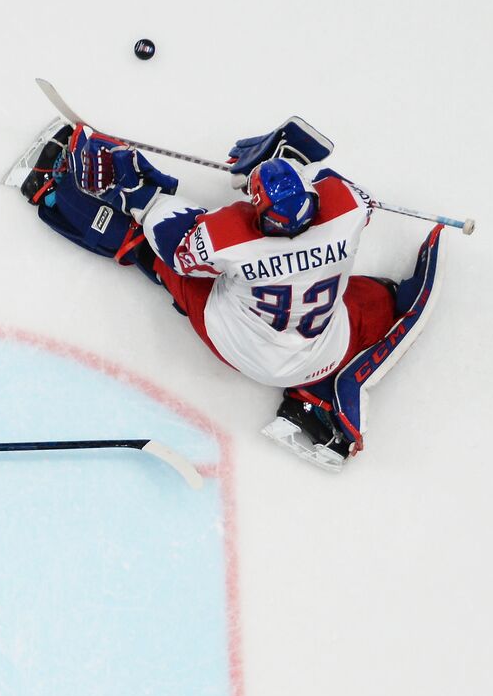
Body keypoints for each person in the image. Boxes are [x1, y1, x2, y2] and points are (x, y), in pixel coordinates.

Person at [22, 118, 444, 471]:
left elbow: (174, 240)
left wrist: (136, 189)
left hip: (239, 342)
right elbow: (349, 192)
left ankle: (56, 193)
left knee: (156, 257)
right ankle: (315, 392)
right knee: (379, 298)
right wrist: (276, 168)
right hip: (324, 349)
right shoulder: (347, 207)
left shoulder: (231, 239)